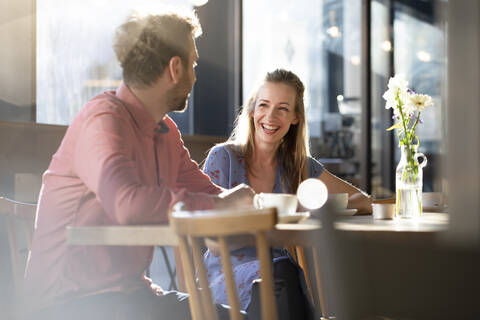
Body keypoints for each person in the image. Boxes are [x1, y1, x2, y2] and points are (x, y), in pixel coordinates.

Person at [25, 9, 253, 320]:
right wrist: (221, 207)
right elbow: (127, 204)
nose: (195, 75)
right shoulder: (104, 120)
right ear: (175, 68)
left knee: (235, 317)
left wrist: (246, 203)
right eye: (194, 63)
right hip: (68, 304)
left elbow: (207, 193)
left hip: (129, 295)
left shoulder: (165, 131)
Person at [203, 69, 371, 318]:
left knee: (290, 277)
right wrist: (273, 232)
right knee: (284, 278)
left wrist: (309, 209)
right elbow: (213, 243)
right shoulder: (224, 158)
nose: (270, 116)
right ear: (252, 110)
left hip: (282, 274)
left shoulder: (300, 165)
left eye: (282, 108)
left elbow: (364, 202)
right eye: (264, 105)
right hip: (228, 272)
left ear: (295, 117)